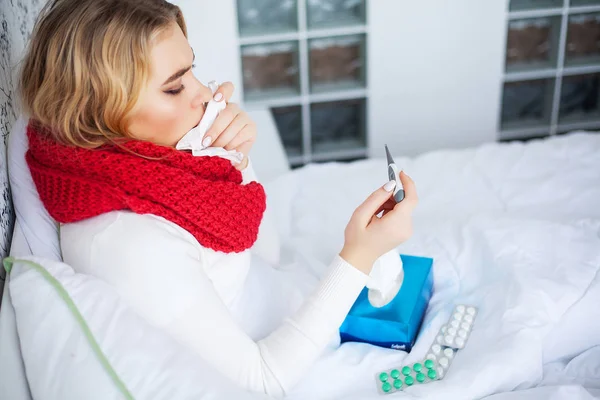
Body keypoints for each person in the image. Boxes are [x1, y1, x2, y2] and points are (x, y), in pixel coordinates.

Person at [19, 0, 418, 396]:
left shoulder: (158, 172)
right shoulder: (125, 243)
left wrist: (233, 158)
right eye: (174, 87)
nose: (206, 94)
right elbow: (260, 383)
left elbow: (263, 255)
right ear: (97, 120)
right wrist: (360, 256)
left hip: (294, 299)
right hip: (297, 362)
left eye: (192, 69)